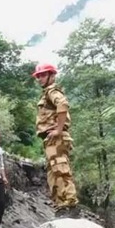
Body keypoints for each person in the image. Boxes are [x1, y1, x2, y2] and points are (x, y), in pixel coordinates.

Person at [32, 63, 79, 213]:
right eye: (38, 76)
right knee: (53, 172)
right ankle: (61, 204)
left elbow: (63, 104)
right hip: (50, 139)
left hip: (56, 137)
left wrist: (58, 129)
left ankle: (69, 203)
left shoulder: (52, 91)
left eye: (43, 75)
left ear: (52, 75)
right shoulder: (46, 93)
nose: (40, 78)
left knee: (60, 169)